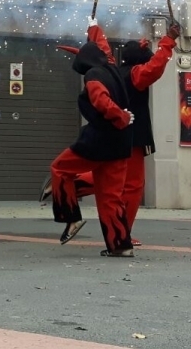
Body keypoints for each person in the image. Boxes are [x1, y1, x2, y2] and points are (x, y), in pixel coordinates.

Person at [67, 18, 179, 244]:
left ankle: (73, 183)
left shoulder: (113, 69)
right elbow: (156, 66)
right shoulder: (137, 74)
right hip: (132, 136)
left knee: (113, 176)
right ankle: (122, 232)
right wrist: (169, 40)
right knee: (131, 185)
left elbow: (103, 47)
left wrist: (93, 27)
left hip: (116, 133)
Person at [49, 40, 136, 257]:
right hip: (121, 142)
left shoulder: (93, 75)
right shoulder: (113, 71)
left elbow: (101, 101)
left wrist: (120, 116)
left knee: (59, 169)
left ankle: (71, 218)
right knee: (111, 197)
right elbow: (103, 48)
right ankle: (120, 246)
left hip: (99, 140)